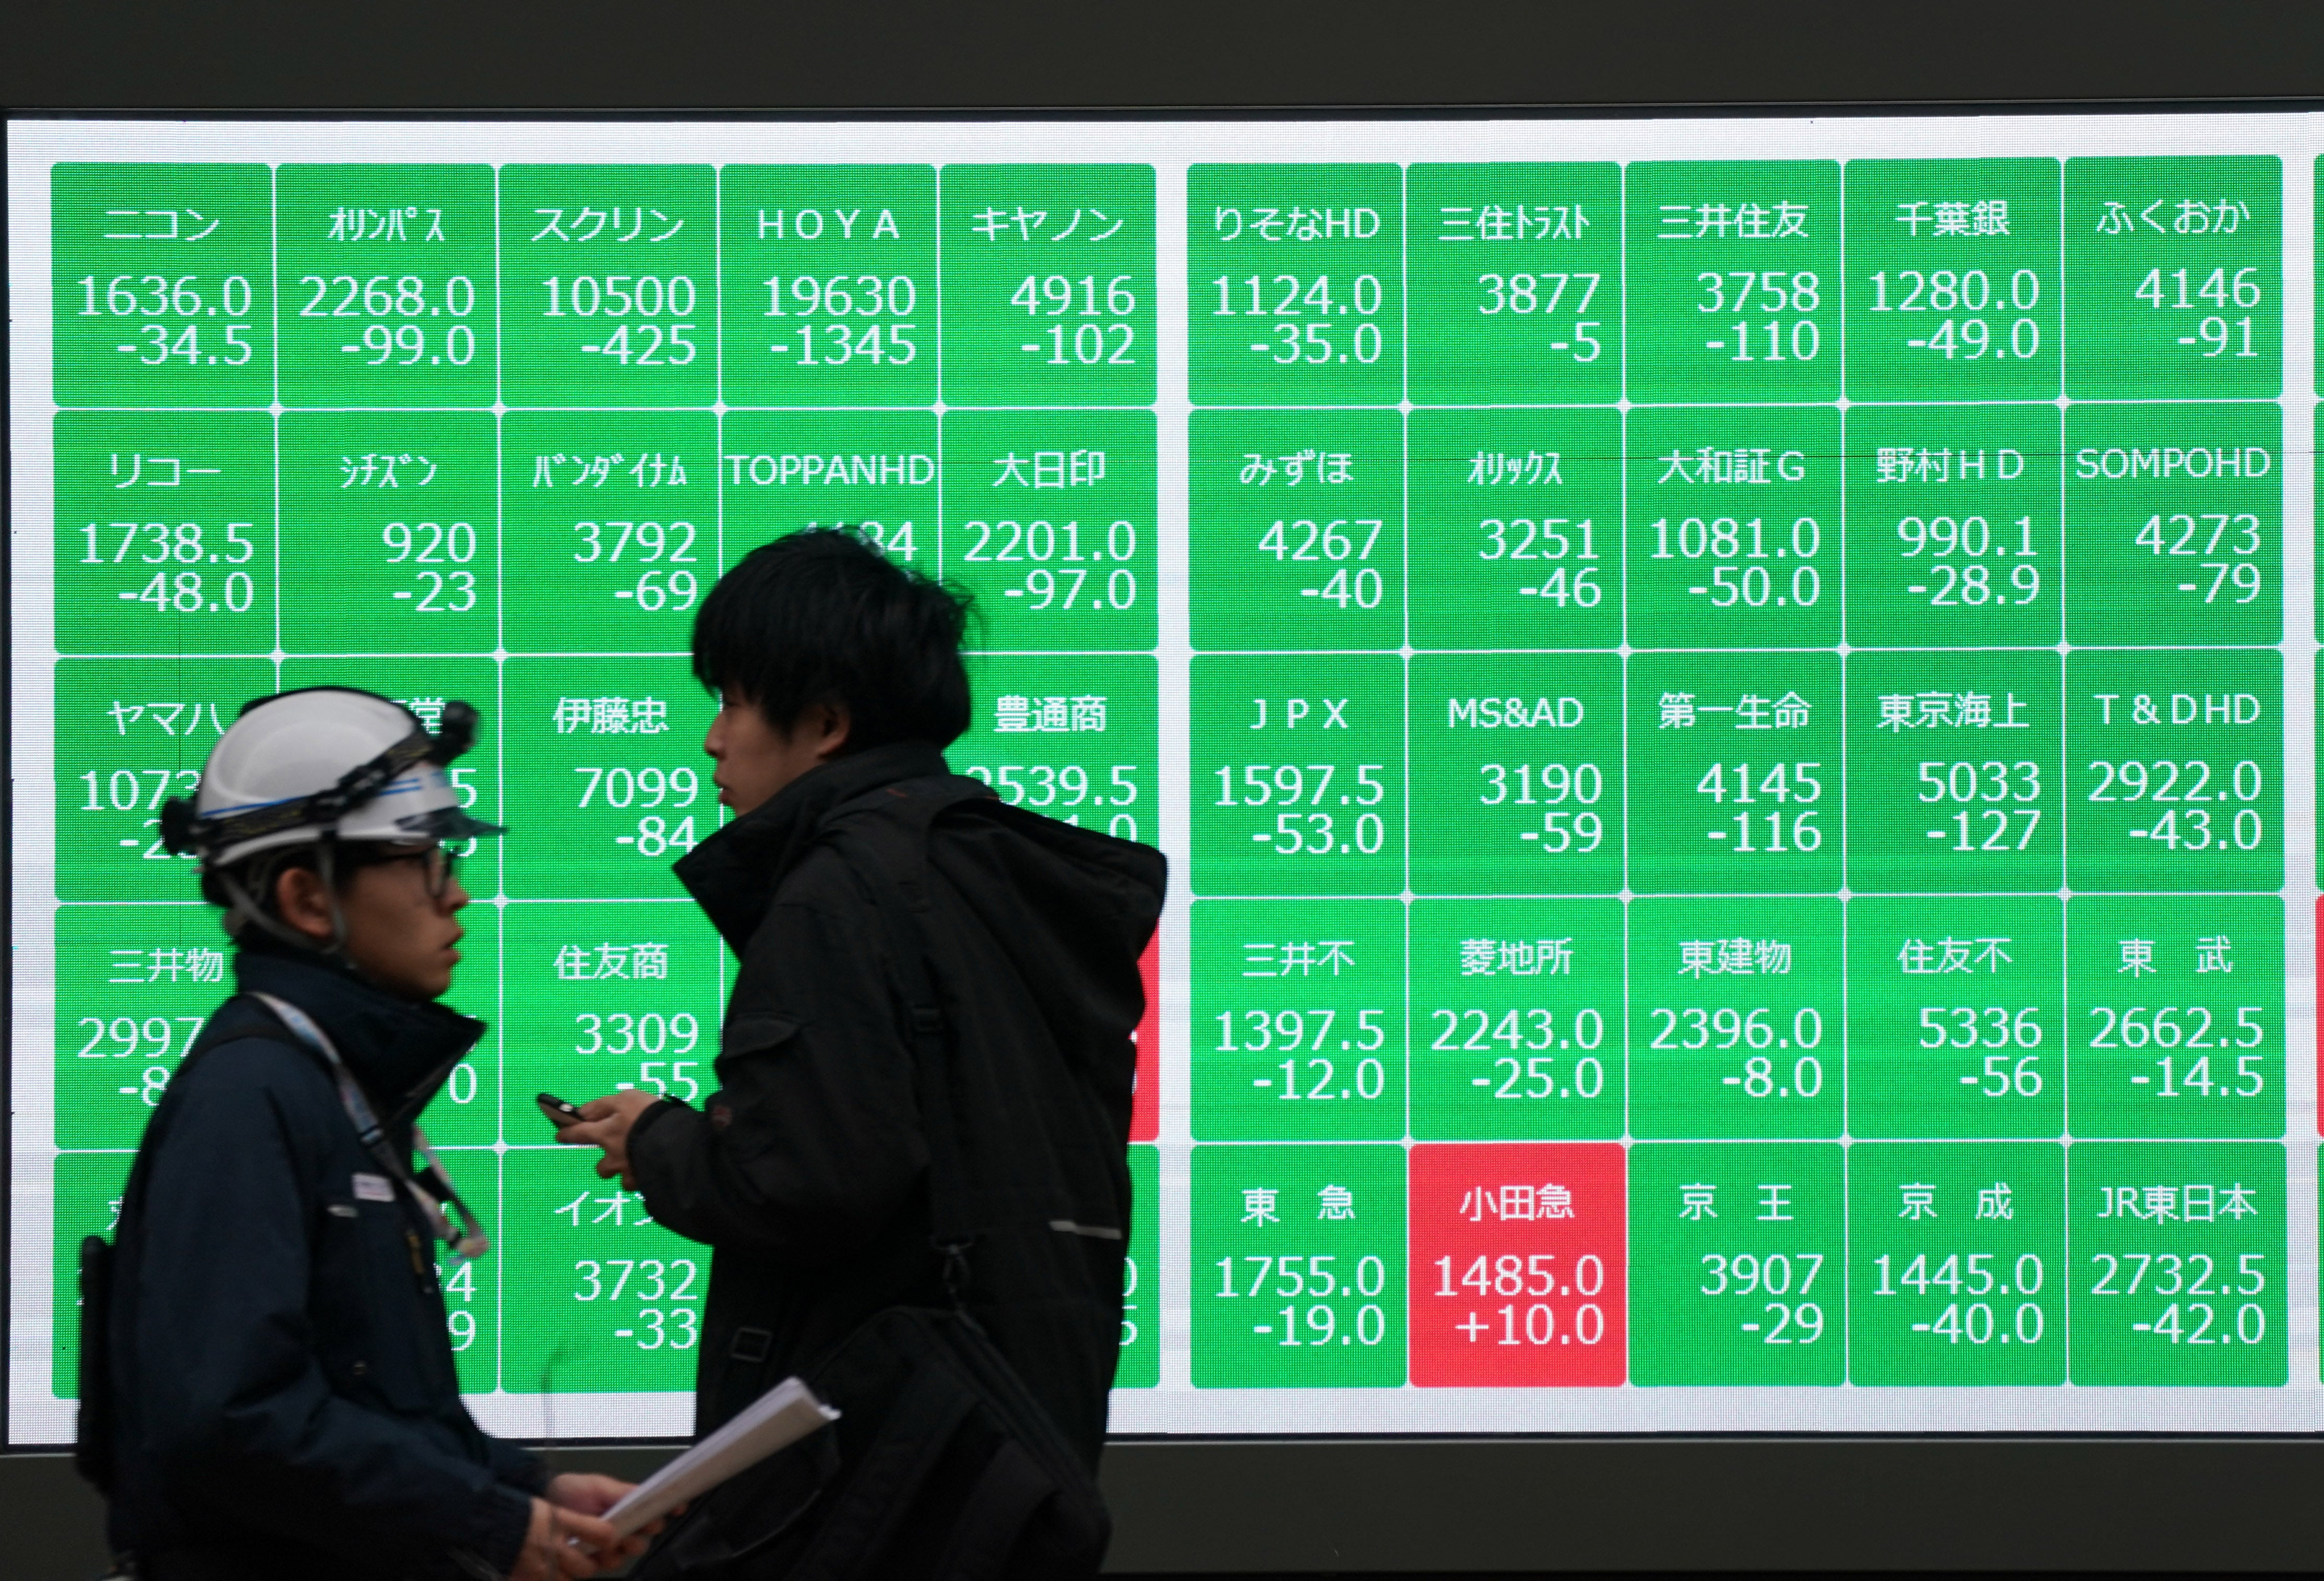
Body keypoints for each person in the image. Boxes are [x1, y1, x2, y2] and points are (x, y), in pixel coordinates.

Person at [553, 530, 1165, 1572]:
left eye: (736, 701)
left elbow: (811, 1183)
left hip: (870, 1478)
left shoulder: (839, 890)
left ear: (825, 723)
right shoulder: (1000, 881)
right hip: (1006, 1459)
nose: (712, 739)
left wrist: (657, 1138)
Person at [90, 687, 655, 1581]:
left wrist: (522, 1491)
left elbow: (370, 1398)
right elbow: (232, 1420)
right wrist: (486, 1519)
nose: (460, 892)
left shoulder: (319, 1081)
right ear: (309, 898)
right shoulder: (252, 1094)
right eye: (426, 859)